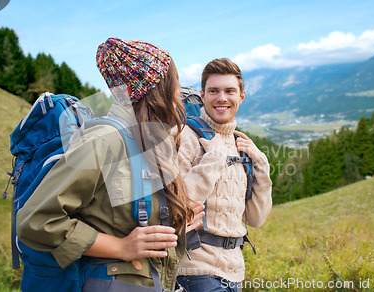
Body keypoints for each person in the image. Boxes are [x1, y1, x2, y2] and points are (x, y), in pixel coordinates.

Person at [16, 38, 202, 291]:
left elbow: (117, 217)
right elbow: (36, 220)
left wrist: (176, 219)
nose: (179, 90)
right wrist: (121, 247)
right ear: (155, 87)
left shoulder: (146, 140)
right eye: (174, 81)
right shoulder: (105, 140)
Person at [175, 58, 273, 291]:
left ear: (241, 96)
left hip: (235, 272)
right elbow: (176, 207)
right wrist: (213, 160)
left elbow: (255, 218)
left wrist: (261, 164)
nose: (222, 98)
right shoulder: (185, 137)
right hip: (194, 270)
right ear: (203, 94)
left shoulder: (242, 145)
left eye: (230, 91)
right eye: (213, 91)